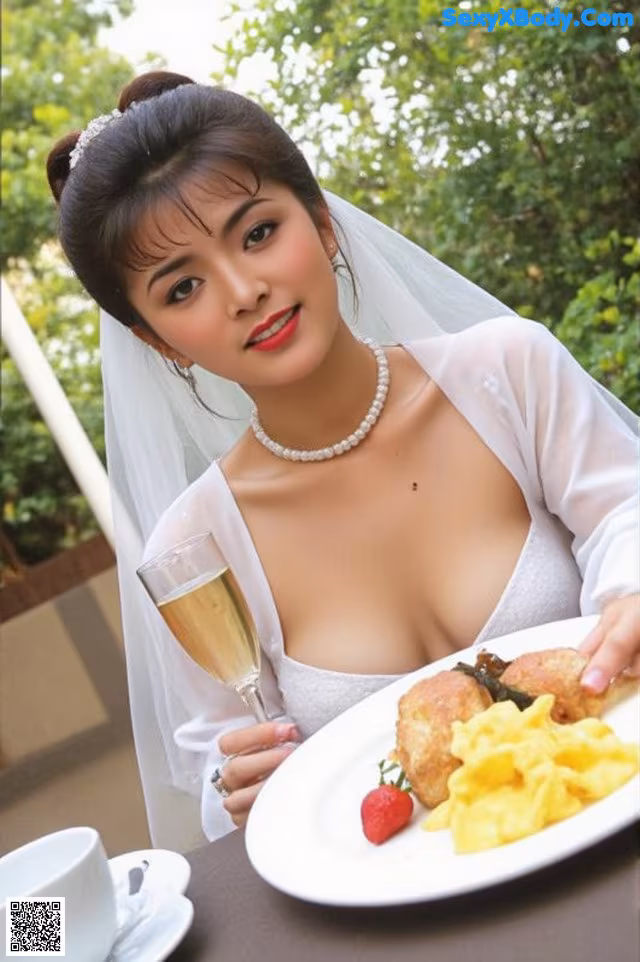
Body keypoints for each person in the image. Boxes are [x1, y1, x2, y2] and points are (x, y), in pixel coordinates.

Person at [47, 71, 639, 853]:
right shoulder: (194, 558)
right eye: (183, 286)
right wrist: (236, 787)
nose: (244, 289)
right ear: (157, 339)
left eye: (258, 233)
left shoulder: (507, 370)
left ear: (323, 223)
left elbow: (624, 514)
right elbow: (216, 775)